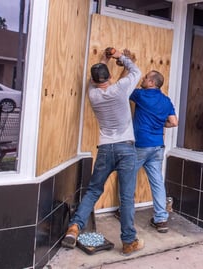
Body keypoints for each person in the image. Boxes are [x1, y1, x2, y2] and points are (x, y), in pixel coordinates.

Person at [61, 48, 144, 256]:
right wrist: (119, 57)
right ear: (110, 77)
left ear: (94, 80)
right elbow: (136, 71)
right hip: (126, 148)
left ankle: (74, 227)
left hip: (106, 148)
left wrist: (104, 59)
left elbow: (94, 78)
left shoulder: (93, 94)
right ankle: (128, 242)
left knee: (93, 191)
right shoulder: (121, 88)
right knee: (126, 197)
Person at [129, 70, 178, 233]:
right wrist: (161, 125)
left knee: (127, 177)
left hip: (141, 145)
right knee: (157, 183)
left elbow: (122, 89)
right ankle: (161, 219)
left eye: (146, 78)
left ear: (152, 83)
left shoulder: (141, 95)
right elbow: (174, 122)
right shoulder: (166, 100)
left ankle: (124, 212)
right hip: (158, 146)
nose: (142, 79)